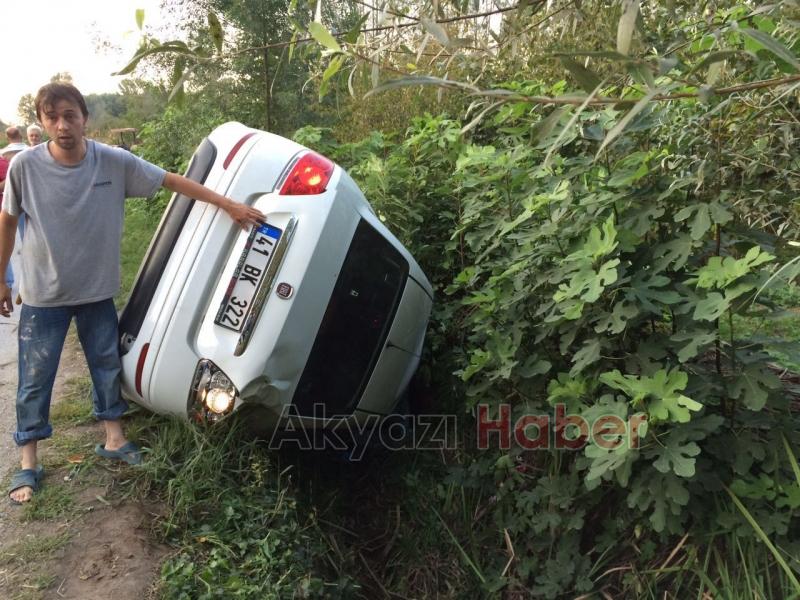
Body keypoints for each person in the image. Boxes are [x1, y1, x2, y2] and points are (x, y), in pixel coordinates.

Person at [0, 82, 265, 504]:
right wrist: (2, 279)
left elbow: (171, 181)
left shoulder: (112, 161)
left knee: (107, 366)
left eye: (70, 115)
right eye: (52, 117)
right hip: (42, 296)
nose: (62, 125)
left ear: (85, 117)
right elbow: (9, 221)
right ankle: (28, 462)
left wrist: (228, 204)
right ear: (41, 122)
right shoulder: (24, 168)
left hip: (95, 291)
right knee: (35, 379)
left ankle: (113, 437)